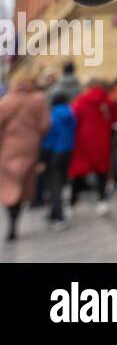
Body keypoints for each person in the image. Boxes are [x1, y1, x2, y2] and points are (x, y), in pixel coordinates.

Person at [0, 77, 50, 241]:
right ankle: (16, 217)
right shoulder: (38, 100)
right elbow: (45, 126)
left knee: (8, 185)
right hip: (30, 147)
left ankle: (11, 219)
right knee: (22, 185)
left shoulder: (5, 101)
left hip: (8, 148)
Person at [68, 81, 115, 214]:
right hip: (102, 141)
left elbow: (74, 120)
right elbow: (113, 118)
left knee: (78, 174)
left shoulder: (80, 102)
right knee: (102, 172)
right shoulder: (106, 101)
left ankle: (71, 204)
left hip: (83, 143)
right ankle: (102, 201)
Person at [42, 91, 77, 229]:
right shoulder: (70, 112)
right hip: (68, 150)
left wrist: (44, 152)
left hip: (55, 152)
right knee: (62, 182)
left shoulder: (53, 115)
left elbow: (50, 135)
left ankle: (57, 214)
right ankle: (57, 211)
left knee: (54, 184)